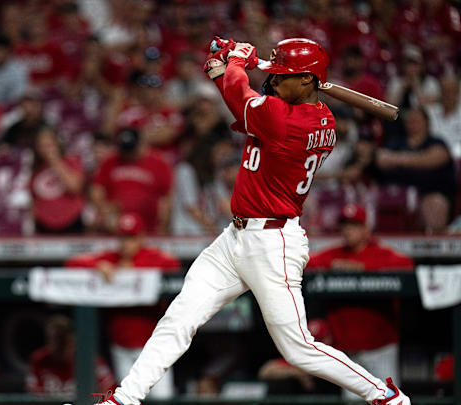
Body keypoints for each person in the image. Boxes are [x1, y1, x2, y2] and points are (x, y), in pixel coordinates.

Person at [97, 38, 409, 405]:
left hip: (273, 243)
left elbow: (243, 98)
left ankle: (386, 397)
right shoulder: (314, 114)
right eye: (273, 75)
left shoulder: (290, 121)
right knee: (179, 317)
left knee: (298, 349)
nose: (273, 82)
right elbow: (248, 99)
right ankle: (124, 399)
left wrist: (236, 62)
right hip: (235, 238)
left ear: (308, 82)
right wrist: (229, 71)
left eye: (282, 77)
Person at [306, 204, 414, 401]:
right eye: (345, 225)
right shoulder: (335, 254)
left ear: (366, 229)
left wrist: (363, 268)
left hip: (381, 351)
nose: (348, 230)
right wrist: (332, 266)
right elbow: (308, 263)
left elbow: (407, 265)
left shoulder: (380, 253)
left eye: (354, 225)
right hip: (349, 355)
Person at [66, 213, 180, 398]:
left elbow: (173, 264)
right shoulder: (111, 258)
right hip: (121, 348)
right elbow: (72, 263)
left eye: (132, 238)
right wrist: (99, 266)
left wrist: (133, 271)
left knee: (162, 398)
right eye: (123, 238)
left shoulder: (151, 257)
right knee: (130, 400)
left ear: (141, 238)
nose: (127, 244)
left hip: (154, 348)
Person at [376, 108, 456, 234]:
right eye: (409, 121)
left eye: (416, 120)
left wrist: (397, 160)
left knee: (435, 204)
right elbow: (381, 159)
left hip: (429, 194)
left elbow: (436, 158)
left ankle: (432, 248)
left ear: (427, 123)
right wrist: (417, 159)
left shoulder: (436, 142)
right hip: (399, 195)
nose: (412, 124)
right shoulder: (396, 142)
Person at [91, 128, 172, 234]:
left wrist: (163, 226)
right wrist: (103, 207)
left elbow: (166, 198)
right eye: (125, 149)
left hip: (148, 226)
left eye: (131, 149)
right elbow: (97, 190)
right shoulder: (111, 162)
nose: (128, 154)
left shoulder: (158, 164)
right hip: (117, 226)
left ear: (141, 145)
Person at [26, 315, 115, 396]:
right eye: (56, 342)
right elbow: (34, 393)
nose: (60, 349)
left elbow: (109, 391)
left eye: (64, 343)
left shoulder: (90, 361)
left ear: (73, 342)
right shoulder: (40, 359)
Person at [31, 126, 85, 234]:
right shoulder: (36, 169)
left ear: (57, 144)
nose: (46, 149)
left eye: (49, 144)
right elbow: (33, 200)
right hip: (44, 226)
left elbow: (74, 187)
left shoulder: (71, 161)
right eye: (42, 145)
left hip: (71, 223)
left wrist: (55, 161)